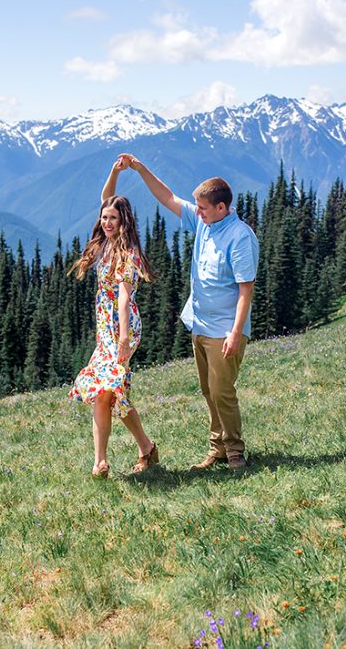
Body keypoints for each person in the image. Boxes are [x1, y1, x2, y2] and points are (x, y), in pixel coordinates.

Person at [120, 154, 258, 470]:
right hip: (199, 323)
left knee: (223, 391)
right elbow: (167, 196)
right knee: (208, 390)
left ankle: (235, 451)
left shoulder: (239, 237)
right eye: (197, 207)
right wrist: (141, 169)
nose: (197, 212)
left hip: (224, 328)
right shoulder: (204, 222)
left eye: (203, 208)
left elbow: (245, 290)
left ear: (221, 208)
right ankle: (218, 448)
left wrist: (235, 333)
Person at [68, 156, 159, 478]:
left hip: (122, 328)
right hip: (105, 328)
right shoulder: (105, 244)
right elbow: (106, 197)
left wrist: (122, 339)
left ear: (124, 222)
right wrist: (114, 172)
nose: (107, 222)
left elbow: (123, 298)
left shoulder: (127, 252)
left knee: (106, 390)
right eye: (104, 217)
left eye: (113, 219)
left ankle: (100, 461)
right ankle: (142, 448)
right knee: (110, 393)